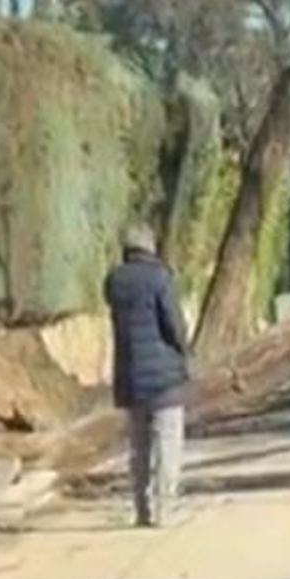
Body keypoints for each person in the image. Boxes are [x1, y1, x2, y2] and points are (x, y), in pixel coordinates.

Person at [104, 224, 189, 528]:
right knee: (167, 442)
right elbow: (174, 325)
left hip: (130, 375)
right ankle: (166, 508)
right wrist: (183, 349)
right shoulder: (160, 278)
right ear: (150, 247)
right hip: (165, 378)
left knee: (139, 447)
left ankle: (143, 508)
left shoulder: (114, 281)